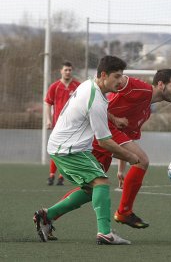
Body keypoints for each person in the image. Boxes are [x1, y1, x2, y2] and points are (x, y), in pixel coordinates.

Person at [42, 69, 171, 234]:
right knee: (142, 160)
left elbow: (127, 137)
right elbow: (116, 85)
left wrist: (121, 170)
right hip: (103, 134)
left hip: (107, 142)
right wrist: (113, 79)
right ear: (160, 84)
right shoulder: (139, 88)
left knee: (91, 189)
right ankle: (123, 213)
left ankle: (48, 216)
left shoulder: (146, 111)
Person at [33, 55, 140, 245]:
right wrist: (131, 156)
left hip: (64, 147)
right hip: (68, 149)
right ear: (104, 75)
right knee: (101, 182)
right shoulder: (96, 99)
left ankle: (47, 216)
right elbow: (105, 141)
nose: (121, 80)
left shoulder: (88, 85)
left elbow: (94, 109)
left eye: (122, 76)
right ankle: (105, 233)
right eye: (117, 76)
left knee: (91, 189)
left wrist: (113, 119)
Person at [45, 61, 80, 186]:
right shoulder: (54, 86)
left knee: (69, 151)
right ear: (61, 71)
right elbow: (48, 104)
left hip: (73, 125)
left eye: (70, 70)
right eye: (66, 70)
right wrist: (48, 120)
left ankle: (61, 177)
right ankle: (51, 175)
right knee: (56, 150)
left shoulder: (78, 86)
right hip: (57, 125)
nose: (68, 72)